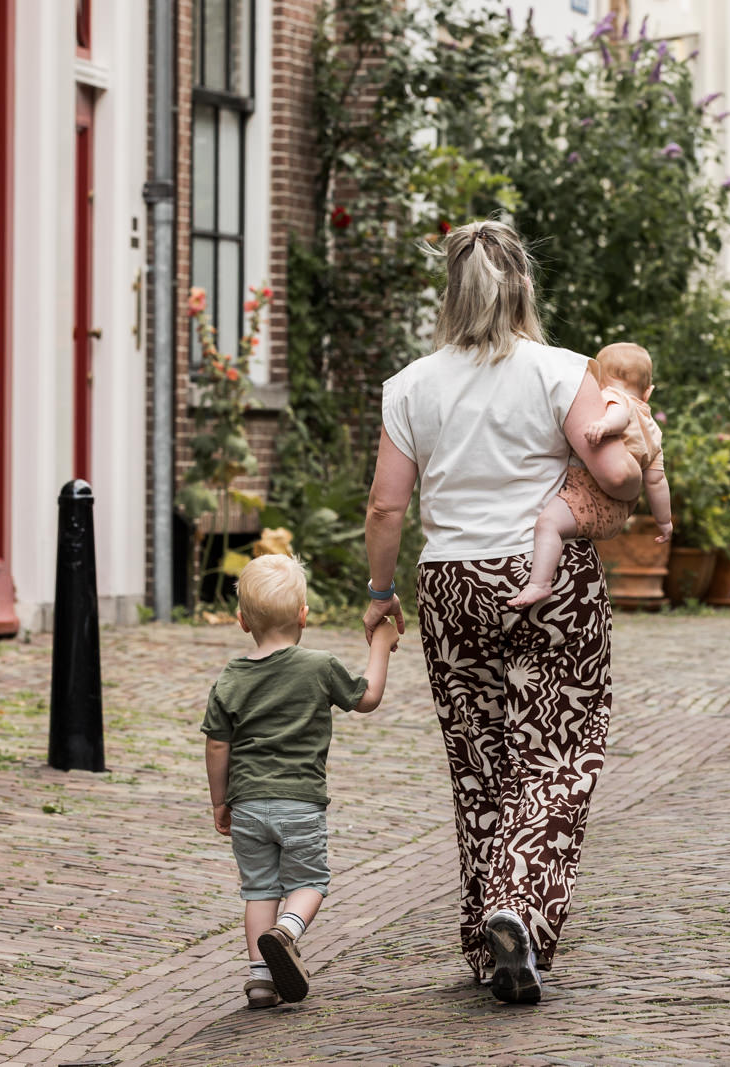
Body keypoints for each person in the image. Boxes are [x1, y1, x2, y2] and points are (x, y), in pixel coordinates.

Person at [362, 218, 642, 1005]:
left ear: (452, 292)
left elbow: (386, 506)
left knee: (479, 761)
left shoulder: (410, 385)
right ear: (524, 285)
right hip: (548, 581)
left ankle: (489, 945)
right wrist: (632, 462)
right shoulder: (562, 372)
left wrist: (381, 594)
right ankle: (518, 905)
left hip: (450, 582)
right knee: (559, 753)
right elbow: (616, 474)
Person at [202, 552, 400, 1010]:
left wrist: (219, 801)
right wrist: (381, 643)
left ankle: (260, 981)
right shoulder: (319, 666)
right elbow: (367, 697)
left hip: (247, 805)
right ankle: (287, 932)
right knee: (310, 881)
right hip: (300, 804)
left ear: (242, 622)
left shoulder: (230, 678)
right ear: (303, 616)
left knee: (259, 889)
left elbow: (216, 745)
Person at [508, 340, 673, 608]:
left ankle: (540, 583)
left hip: (585, 495)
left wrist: (605, 425)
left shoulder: (611, 399)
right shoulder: (654, 431)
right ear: (648, 392)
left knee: (548, 524)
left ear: (598, 382)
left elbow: (619, 413)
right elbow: (656, 481)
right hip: (616, 513)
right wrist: (664, 521)